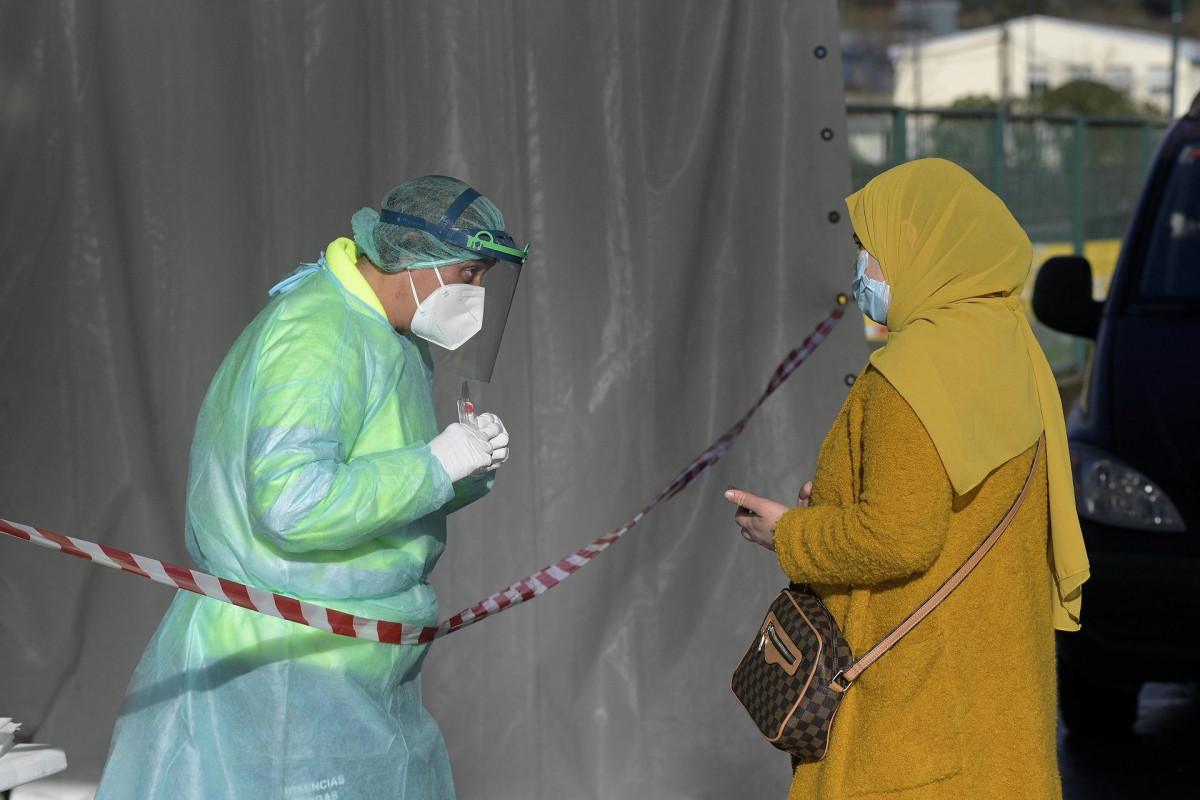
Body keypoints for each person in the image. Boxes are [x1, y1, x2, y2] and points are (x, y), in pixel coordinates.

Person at [96, 176, 528, 799]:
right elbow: (293, 504)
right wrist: (435, 466)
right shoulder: (320, 332)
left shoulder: (390, 336)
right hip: (286, 659)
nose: (478, 294)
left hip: (353, 652)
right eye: (470, 274)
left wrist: (461, 472)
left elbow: (366, 486)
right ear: (413, 258)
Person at [725, 158, 1089, 799]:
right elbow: (953, 501)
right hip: (995, 704)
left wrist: (788, 531)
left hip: (913, 717)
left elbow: (898, 537)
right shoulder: (1010, 346)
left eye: (870, 250)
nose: (861, 269)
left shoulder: (911, 372)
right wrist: (842, 501)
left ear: (920, 248)